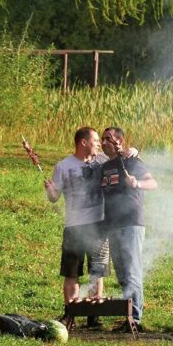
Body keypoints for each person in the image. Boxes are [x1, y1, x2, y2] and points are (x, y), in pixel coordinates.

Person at [98, 126, 157, 331]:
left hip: (131, 223)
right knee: (122, 273)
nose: (104, 143)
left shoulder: (132, 161)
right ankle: (128, 317)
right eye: (102, 139)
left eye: (108, 139)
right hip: (112, 225)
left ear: (119, 141)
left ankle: (136, 320)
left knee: (132, 271)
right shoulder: (105, 166)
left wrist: (137, 183)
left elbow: (152, 183)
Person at [45, 126, 108, 309]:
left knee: (97, 272)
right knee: (71, 273)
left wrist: (133, 151)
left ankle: (94, 316)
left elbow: (124, 159)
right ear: (84, 142)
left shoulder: (103, 161)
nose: (99, 144)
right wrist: (50, 191)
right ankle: (71, 312)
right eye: (95, 140)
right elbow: (54, 197)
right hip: (74, 227)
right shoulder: (63, 166)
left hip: (99, 225)